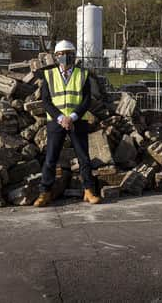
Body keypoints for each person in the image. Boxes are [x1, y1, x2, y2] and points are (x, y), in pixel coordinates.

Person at [34, 40, 101, 207]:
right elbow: (46, 101)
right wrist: (61, 118)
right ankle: (45, 192)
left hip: (77, 121)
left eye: (69, 54)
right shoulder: (49, 75)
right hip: (56, 122)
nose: (65, 57)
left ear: (74, 56)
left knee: (84, 158)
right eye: (61, 54)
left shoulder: (82, 74)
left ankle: (89, 191)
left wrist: (71, 117)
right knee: (50, 158)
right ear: (56, 57)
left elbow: (86, 100)